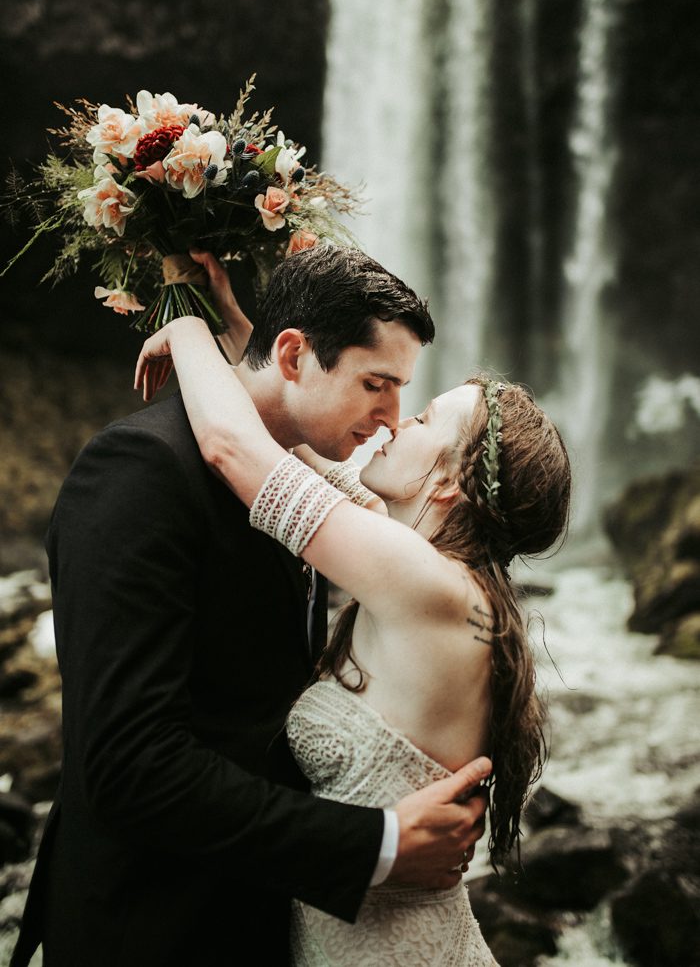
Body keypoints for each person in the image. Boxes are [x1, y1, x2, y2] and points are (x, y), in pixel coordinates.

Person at [11, 245, 491, 967]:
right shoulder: (140, 471)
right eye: (376, 384)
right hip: (152, 928)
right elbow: (130, 766)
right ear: (294, 354)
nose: (392, 419)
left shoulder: (312, 490)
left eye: (406, 397)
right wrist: (375, 846)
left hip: (259, 918)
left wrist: (209, 329)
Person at [132, 275, 572, 965]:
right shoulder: (422, 565)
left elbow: (238, 451)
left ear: (450, 482)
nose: (397, 420)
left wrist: (185, 332)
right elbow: (290, 424)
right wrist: (223, 308)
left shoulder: (426, 584)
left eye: (423, 420)